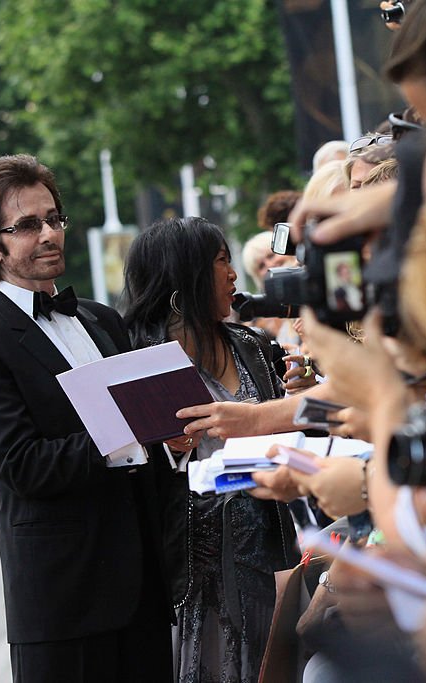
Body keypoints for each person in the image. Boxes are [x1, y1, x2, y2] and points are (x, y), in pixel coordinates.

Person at [0, 155, 172, 683]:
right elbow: (20, 467)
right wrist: (134, 425)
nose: (48, 234)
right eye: (26, 225)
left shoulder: (101, 318)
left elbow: (144, 453)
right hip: (63, 599)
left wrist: (170, 439)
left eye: (53, 219)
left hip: (145, 586)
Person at [120, 216, 300, 683]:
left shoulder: (255, 346)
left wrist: (303, 391)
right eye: (221, 261)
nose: (234, 274)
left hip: (269, 543)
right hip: (192, 564)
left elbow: (293, 429)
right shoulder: (138, 361)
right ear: (185, 277)